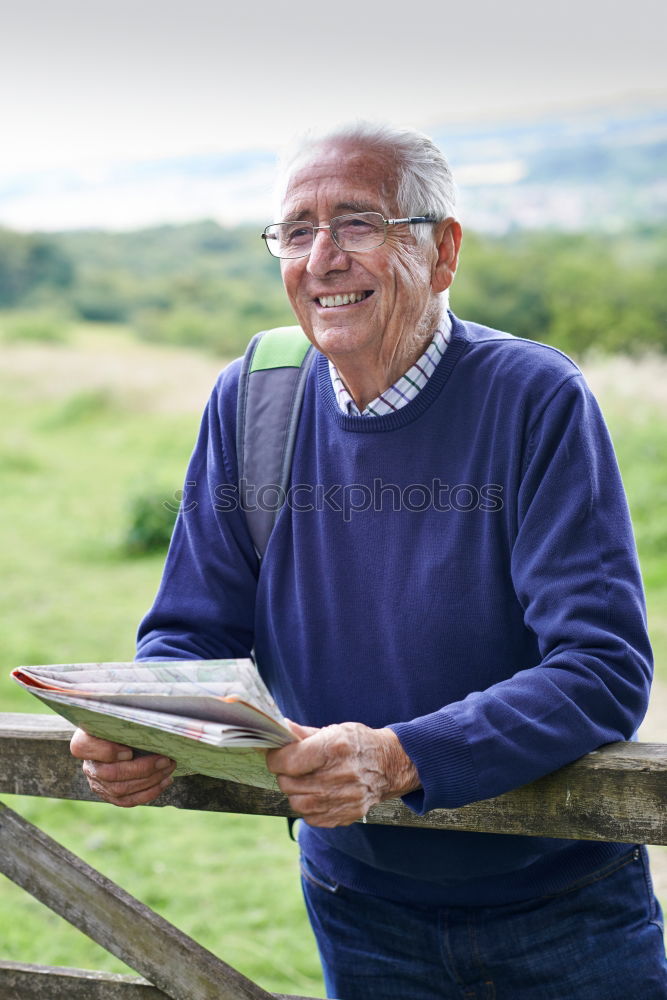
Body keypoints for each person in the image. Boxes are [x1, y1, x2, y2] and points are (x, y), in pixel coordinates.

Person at [71, 122, 667, 999]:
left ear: (441, 250)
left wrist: (398, 757)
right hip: (355, 902)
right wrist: (147, 727)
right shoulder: (252, 400)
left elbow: (602, 670)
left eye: (356, 224)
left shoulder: (533, 397)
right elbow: (190, 628)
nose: (321, 258)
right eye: (296, 230)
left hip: (560, 904)